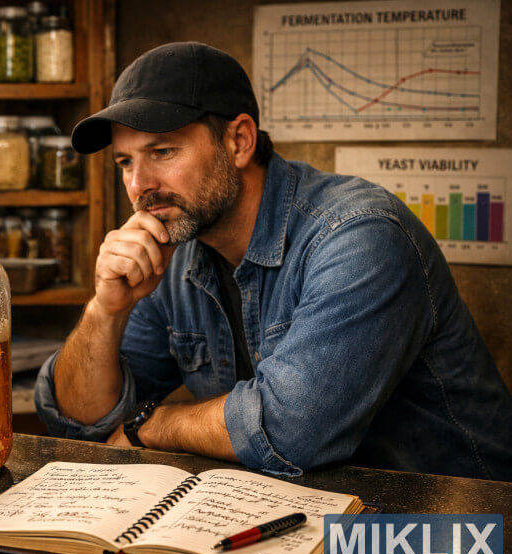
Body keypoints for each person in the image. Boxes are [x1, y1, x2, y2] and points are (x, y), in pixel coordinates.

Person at [34, 41, 512, 481]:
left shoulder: (360, 235)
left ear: (239, 141)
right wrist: (106, 309)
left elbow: (294, 430)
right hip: (307, 517)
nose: (139, 185)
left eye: (162, 152)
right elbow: (82, 423)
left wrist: (153, 425)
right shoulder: (176, 256)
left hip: (452, 533)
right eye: (125, 163)